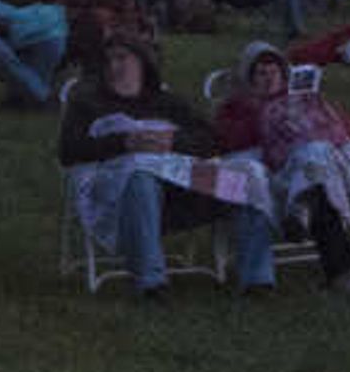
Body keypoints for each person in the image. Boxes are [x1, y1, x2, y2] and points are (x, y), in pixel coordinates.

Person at [58, 37, 278, 298]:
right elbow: (69, 150)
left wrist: (174, 140)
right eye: (108, 60)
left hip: (183, 184)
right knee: (139, 175)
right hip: (119, 186)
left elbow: (211, 141)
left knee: (248, 173)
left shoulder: (165, 101)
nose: (113, 65)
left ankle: (257, 280)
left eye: (121, 58)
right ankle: (152, 283)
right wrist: (124, 141)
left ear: (141, 63)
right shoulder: (88, 103)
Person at [218, 43, 350, 291]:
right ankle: (342, 272)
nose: (269, 79)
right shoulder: (237, 108)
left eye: (274, 72)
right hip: (271, 182)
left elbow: (348, 130)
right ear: (249, 78)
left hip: (311, 173)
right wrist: (261, 114)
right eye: (261, 73)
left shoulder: (303, 99)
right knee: (317, 177)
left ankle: (302, 205)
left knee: (315, 156)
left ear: (284, 74)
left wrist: (313, 113)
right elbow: (228, 143)